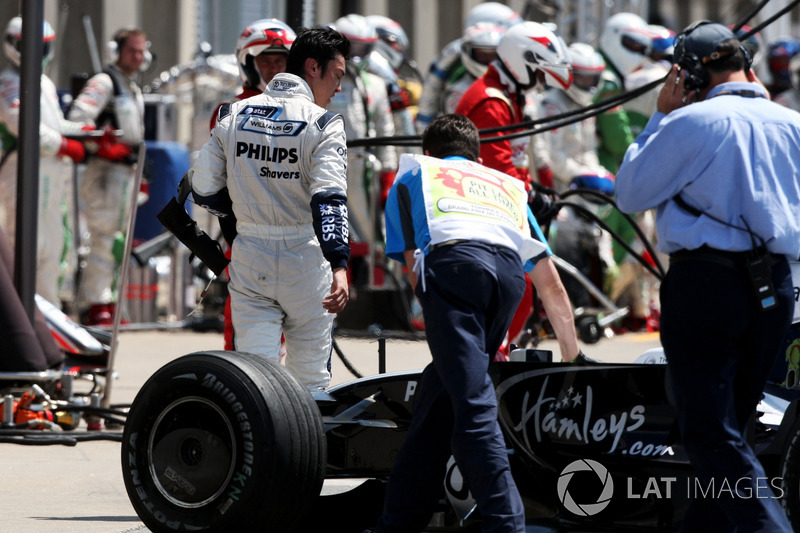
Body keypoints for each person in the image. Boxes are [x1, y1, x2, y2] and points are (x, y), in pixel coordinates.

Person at [615, 21, 800, 532]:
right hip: (775, 288)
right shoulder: (792, 123)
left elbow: (630, 194)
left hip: (707, 285)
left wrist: (659, 117)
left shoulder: (692, 122)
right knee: (731, 429)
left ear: (688, 73)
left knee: (707, 431)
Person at [377, 113, 550, 532]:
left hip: (454, 270)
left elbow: (412, 266)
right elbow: (551, 282)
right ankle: (399, 520)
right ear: (477, 154)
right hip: (509, 279)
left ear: (428, 152)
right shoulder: (506, 185)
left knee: (473, 406)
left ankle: (506, 522)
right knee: (441, 400)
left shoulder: (415, 175)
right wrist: (575, 351)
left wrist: (434, 306)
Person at [191, 26, 350, 391]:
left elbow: (202, 188)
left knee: (256, 380)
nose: (338, 88)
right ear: (313, 68)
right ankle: (308, 449)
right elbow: (329, 200)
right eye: (337, 76)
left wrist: (238, 218)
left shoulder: (232, 113)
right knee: (311, 382)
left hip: (250, 257)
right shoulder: (325, 123)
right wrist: (339, 264)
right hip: (307, 264)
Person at [455, 21, 581, 361]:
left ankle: (500, 351)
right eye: (538, 73)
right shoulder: (491, 101)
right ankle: (504, 355)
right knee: (532, 286)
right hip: (493, 207)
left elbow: (513, 160)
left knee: (531, 288)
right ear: (520, 63)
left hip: (507, 202)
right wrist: (531, 195)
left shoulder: (506, 94)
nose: (541, 82)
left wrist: (534, 190)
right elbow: (494, 169)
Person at [209, 18, 296, 351]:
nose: (274, 69)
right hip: (248, 233)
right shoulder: (229, 112)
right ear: (249, 63)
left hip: (297, 232)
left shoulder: (307, 109)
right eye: (266, 61)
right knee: (246, 328)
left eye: (281, 61)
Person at [0, 17, 92, 306]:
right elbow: (24, 126)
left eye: (42, 47)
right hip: (21, 169)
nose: (36, 53)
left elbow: (54, 123)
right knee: (28, 247)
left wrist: (89, 134)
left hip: (52, 170)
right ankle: (23, 319)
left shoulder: (44, 83)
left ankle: (49, 318)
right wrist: (66, 145)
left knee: (55, 248)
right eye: (29, 46)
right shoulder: (8, 81)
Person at [68, 27, 147, 325]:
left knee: (119, 241)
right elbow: (77, 120)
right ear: (116, 51)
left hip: (126, 172)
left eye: (142, 52)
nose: (138, 57)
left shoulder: (132, 87)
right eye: (132, 51)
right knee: (104, 237)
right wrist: (102, 145)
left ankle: (110, 302)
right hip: (103, 171)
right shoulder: (103, 82)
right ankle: (97, 304)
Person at [327, 14, 396, 287]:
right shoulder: (322, 79)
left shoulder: (377, 84)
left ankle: (374, 295)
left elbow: (386, 133)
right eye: (351, 48)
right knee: (331, 232)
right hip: (330, 165)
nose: (356, 55)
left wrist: (389, 175)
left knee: (372, 239)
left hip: (366, 171)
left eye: (362, 48)